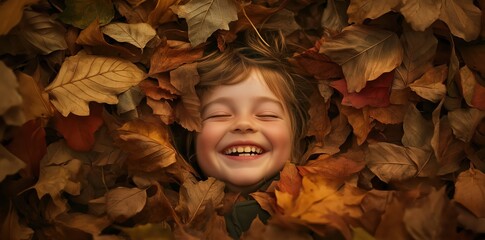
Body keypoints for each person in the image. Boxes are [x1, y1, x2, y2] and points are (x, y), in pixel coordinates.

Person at [178, 29, 314, 238]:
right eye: (219, 114)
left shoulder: (322, 218)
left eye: (267, 114)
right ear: (191, 136)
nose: (243, 124)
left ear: (296, 140)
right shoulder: (165, 222)